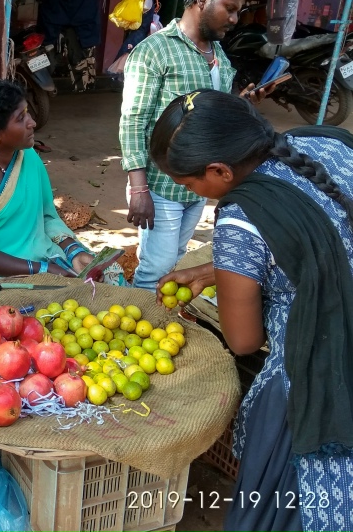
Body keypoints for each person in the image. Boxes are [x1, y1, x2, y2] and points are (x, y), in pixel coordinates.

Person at [150, 89, 353, 532]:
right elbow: (325, 236)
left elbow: (244, 340)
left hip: (318, 371)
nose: (193, 195)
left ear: (220, 171)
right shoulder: (323, 143)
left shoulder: (240, 216)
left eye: (189, 186)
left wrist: (234, 276)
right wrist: (217, 269)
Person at [119, 0, 270, 292]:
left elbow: (211, 119)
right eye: (230, 8)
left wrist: (243, 103)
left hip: (199, 185)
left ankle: (160, 315)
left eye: (238, 11)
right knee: (155, 269)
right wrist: (139, 188)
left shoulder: (220, 58)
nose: (235, 19)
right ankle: (139, 315)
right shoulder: (155, 51)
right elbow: (133, 120)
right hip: (161, 186)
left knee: (175, 260)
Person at [0, 80, 124, 287]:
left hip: (30, 255)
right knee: (64, 296)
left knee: (110, 275)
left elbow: (46, 215)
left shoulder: (27, 155)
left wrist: (74, 252)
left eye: (27, 113)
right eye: (21, 118)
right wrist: (43, 270)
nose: (32, 122)